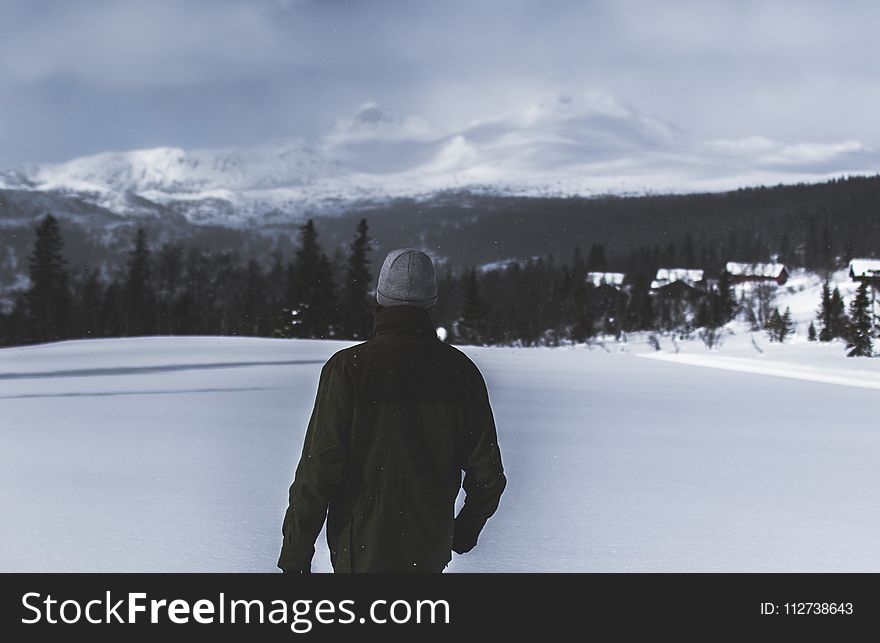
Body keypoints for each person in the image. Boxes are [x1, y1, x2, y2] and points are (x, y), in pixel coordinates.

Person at [278, 248, 506, 573]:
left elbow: (318, 471)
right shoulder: (461, 373)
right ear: (431, 301)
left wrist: (295, 554)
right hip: (429, 546)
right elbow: (488, 476)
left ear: (380, 297)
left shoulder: (348, 369)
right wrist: (463, 531)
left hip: (358, 548)